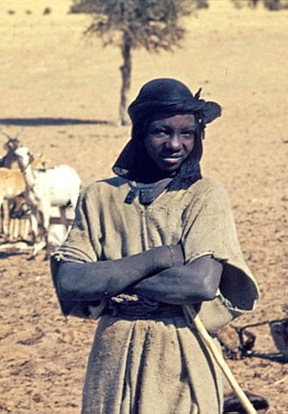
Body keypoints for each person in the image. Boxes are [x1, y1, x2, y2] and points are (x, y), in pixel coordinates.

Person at [51, 78, 260, 413]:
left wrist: (112, 280)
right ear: (140, 133)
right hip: (113, 356)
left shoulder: (204, 195)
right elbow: (70, 281)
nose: (175, 144)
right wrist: (161, 257)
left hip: (182, 354)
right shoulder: (100, 197)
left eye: (187, 133)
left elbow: (201, 283)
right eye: (162, 132)